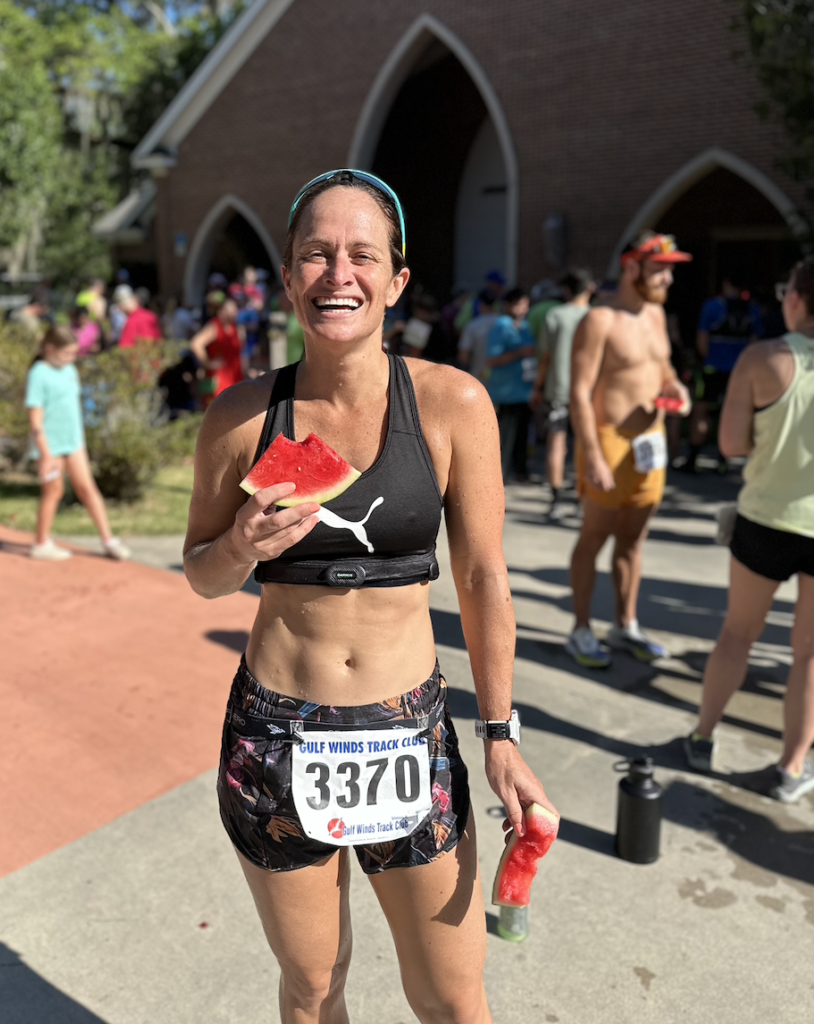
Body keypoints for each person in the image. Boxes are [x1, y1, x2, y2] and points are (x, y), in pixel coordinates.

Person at [182, 168, 556, 1024]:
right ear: (287, 279)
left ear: (396, 279)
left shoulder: (451, 404)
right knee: (313, 989)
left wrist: (500, 736)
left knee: (453, 1000)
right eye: (314, 254)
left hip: (406, 732)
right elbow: (201, 574)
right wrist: (239, 544)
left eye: (361, 255)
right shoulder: (242, 418)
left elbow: (482, 578)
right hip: (277, 731)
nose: (336, 274)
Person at [684, 257, 814, 802]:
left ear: (796, 299)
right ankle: (791, 769)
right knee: (808, 653)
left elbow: (732, 445)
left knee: (738, 634)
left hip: (766, 517)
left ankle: (701, 737)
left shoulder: (764, 358)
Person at [566, 232, 692, 668]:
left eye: (671, 269)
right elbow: (579, 393)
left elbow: (664, 368)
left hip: (649, 444)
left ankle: (625, 624)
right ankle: (581, 629)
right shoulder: (598, 320)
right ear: (632, 267)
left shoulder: (656, 315)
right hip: (609, 442)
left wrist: (675, 388)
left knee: (633, 541)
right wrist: (594, 455)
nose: (669, 278)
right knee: (594, 537)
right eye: (660, 268)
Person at [25, 326, 130, 563]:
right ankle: (40, 543)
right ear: (50, 349)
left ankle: (108, 540)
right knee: (53, 491)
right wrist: (45, 454)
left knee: (87, 488)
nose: (71, 359)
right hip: (49, 446)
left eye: (74, 353)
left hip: (73, 442)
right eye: (66, 354)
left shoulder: (70, 370)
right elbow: (35, 420)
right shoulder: (38, 373)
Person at [531, 268, 595, 520]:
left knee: (556, 446)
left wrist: (537, 386)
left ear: (566, 290)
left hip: (557, 389)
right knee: (585, 445)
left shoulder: (554, 315)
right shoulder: (597, 316)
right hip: (589, 394)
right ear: (589, 288)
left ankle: (556, 500)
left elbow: (545, 357)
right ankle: (582, 499)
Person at [683, 278, 762, 473]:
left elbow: (702, 339)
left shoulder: (712, 306)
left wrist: (707, 358)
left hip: (713, 368)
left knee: (702, 411)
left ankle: (693, 459)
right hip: (739, 371)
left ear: (725, 284)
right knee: (734, 414)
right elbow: (755, 341)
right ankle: (723, 460)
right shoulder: (752, 309)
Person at [485, 287, 536, 482]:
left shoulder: (524, 326)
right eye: (518, 304)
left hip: (523, 391)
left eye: (525, 304)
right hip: (505, 392)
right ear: (507, 305)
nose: (523, 308)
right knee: (505, 437)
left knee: (522, 436)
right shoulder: (500, 326)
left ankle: (520, 470)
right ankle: (500, 474)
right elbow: (493, 359)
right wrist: (519, 353)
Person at [189, 295, 245, 401]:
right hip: (219, 379)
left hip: (236, 378)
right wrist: (208, 363)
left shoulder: (237, 328)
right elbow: (195, 344)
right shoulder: (214, 326)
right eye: (232, 309)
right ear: (222, 311)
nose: (235, 311)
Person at [456, 289, 501, 379]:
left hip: (478, 378)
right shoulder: (505, 323)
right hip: (502, 378)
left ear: (480, 304)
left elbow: (463, 356)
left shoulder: (472, 325)